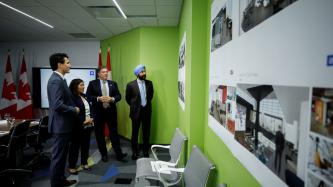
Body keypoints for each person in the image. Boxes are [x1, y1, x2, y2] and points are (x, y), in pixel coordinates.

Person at [47, 53, 79, 187]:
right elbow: (57, 105)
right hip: (60, 126)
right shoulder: (56, 80)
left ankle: (61, 180)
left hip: (64, 126)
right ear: (59, 65)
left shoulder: (61, 79)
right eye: (67, 62)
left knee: (61, 157)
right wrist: (74, 109)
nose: (70, 65)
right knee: (58, 157)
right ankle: (55, 183)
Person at [86, 67, 127, 162]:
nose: (106, 74)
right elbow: (88, 96)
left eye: (106, 72)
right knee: (99, 134)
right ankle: (104, 154)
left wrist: (112, 99)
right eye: (103, 72)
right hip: (98, 113)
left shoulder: (113, 83)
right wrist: (98, 99)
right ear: (98, 74)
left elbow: (119, 96)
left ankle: (119, 154)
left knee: (114, 134)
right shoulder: (93, 83)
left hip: (111, 112)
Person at [126, 64, 154, 160]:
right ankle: (135, 151)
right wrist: (135, 106)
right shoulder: (130, 85)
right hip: (136, 112)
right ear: (137, 73)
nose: (144, 73)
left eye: (144, 71)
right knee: (135, 133)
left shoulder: (149, 83)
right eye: (142, 72)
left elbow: (150, 96)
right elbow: (128, 98)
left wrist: (145, 105)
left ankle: (145, 150)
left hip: (147, 111)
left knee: (146, 132)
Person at [67, 79, 94, 174]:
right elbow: (73, 113)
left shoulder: (84, 96)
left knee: (85, 146)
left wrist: (91, 118)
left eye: (84, 85)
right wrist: (83, 121)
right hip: (77, 126)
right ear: (75, 86)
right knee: (74, 147)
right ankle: (72, 166)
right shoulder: (71, 97)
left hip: (88, 125)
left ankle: (84, 163)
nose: (83, 87)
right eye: (81, 85)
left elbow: (90, 109)